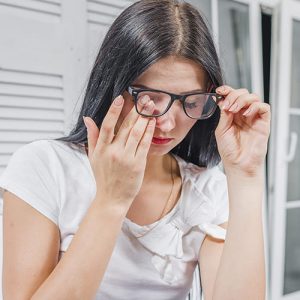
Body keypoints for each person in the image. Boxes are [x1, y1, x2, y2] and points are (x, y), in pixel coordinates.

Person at [0, 0, 270, 299]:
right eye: (148, 97)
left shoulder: (206, 189)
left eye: (190, 101)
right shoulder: (44, 167)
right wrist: (112, 200)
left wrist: (246, 177)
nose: (167, 124)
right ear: (111, 85)